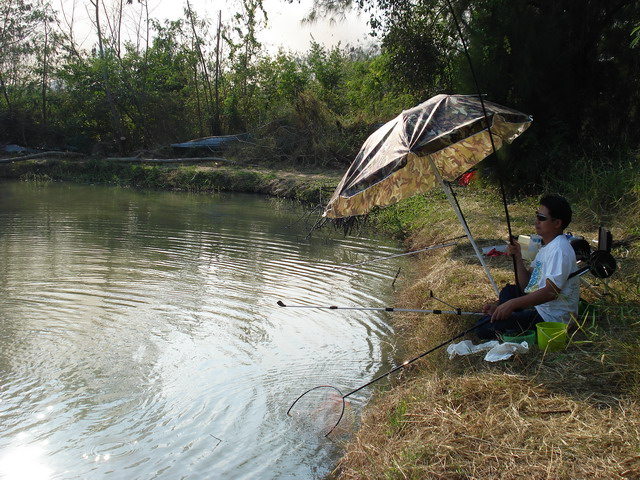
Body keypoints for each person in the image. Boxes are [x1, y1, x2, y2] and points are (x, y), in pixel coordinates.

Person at [476, 194, 580, 339]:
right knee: (509, 291)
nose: (536, 222)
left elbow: (551, 293)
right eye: (537, 216)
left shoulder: (560, 250)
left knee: (483, 327)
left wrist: (511, 305)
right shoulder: (546, 247)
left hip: (552, 319)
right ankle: (504, 314)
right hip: (539, 308)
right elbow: (527, 285)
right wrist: (517, 257)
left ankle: (509, 317)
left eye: (542, 218)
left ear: (557, 223)